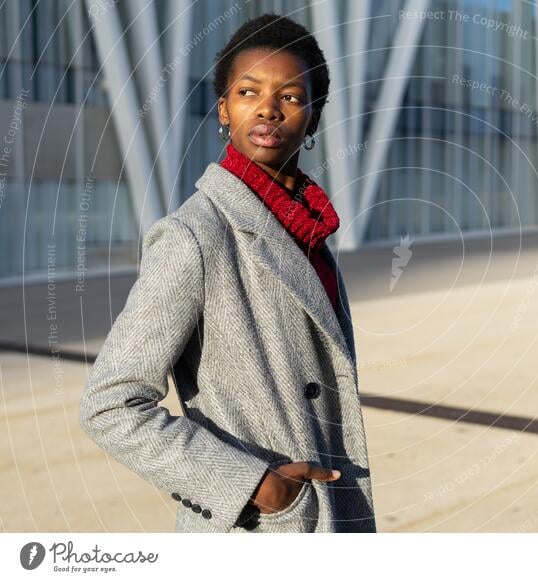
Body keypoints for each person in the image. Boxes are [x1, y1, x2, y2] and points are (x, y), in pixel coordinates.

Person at [79, 12, 376, 533]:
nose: (267, 108)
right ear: (223, 109)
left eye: (289, 96)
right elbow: (110, 404)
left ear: (314, 116)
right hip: (261, 527)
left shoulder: (306, 232)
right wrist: (254, 485)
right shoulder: (195, 235)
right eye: (247, 91)